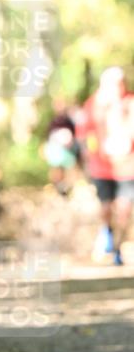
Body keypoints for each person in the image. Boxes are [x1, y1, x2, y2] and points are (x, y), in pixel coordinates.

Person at [75, 67, 134, 266]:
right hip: (102, 166)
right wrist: (88, 156)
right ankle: (107, 233)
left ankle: (118, 246)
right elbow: (83, 135)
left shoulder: (131, 102)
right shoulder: (93, 104)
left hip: (128, 167)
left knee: (125, 209)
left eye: (121, 82)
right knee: (106, 207)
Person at [42, 98, 81, 197]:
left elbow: (74, 134)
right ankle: (59, 187)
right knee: (57, 170)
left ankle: (69, 187)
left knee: (70, 169)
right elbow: (48, 136)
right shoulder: (53, 121)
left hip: (67, 150)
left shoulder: (69, 121)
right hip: (56, 151)